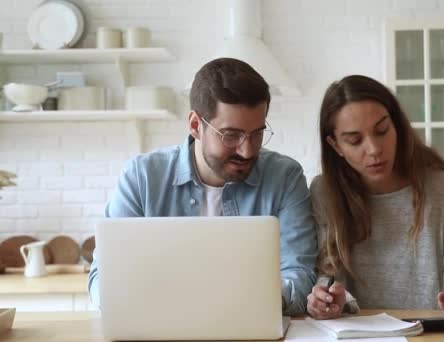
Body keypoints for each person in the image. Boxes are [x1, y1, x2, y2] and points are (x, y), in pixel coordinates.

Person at [88, 58, 317, 316]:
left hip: (251, 327)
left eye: (257, 134)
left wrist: (262, 299)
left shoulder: (285, 177)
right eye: (231, 135)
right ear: (196, 125)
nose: (247, 149)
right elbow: (102, 279)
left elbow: (299, 273)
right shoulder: (141, 178)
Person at [306, 75, 444, 320]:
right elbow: (328, 274)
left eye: (382, 131)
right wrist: (324, 298)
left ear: (397, 126)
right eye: (354, 140)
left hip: (425, 335)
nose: (374, 149)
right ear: (335, 146)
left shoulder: (440, 188)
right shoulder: (324, 192)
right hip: (354, 335)